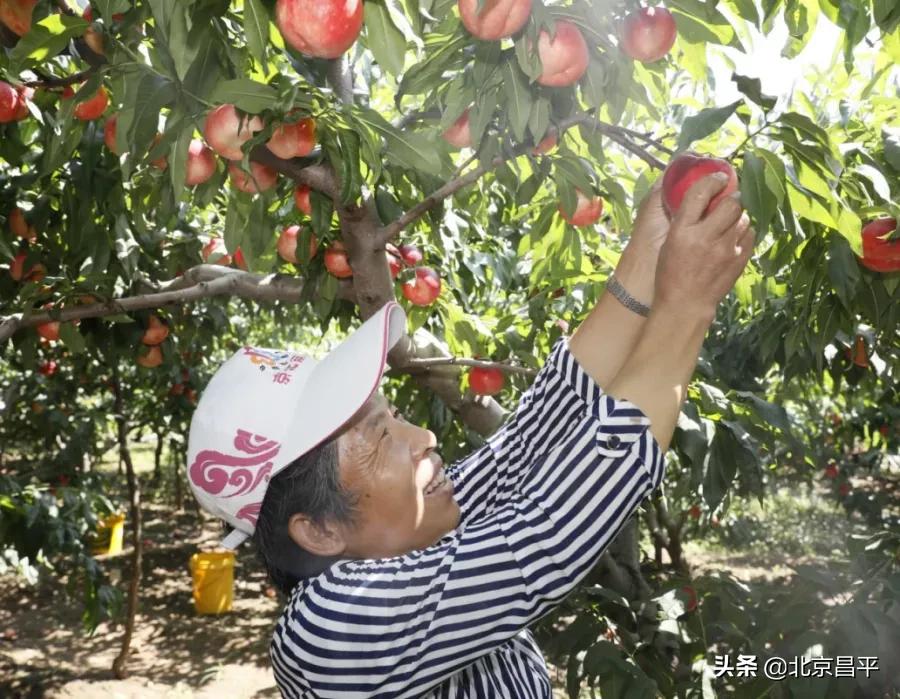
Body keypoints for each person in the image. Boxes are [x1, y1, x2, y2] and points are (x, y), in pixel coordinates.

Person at [186, 172, 754, 698]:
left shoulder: (414, 532)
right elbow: (548, 535)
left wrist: (648, 259)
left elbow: (534, 434)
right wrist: (686, 307)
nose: (425, 437)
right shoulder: (329, 633)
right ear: (319, 529)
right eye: (381, 436)